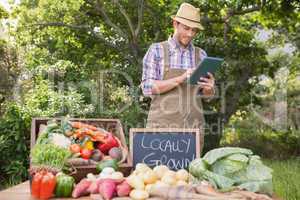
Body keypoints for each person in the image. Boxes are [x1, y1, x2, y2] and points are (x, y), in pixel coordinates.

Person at [141, 2, 215, 131]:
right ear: (175, 24)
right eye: (186, 28)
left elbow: (206, 97)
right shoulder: (156, 50)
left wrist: (209, 89)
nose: (190, 34)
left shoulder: (201, 55)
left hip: (193, 129)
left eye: (194, 30)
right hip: (161, 129)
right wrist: (180, 78)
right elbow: (147, 88)